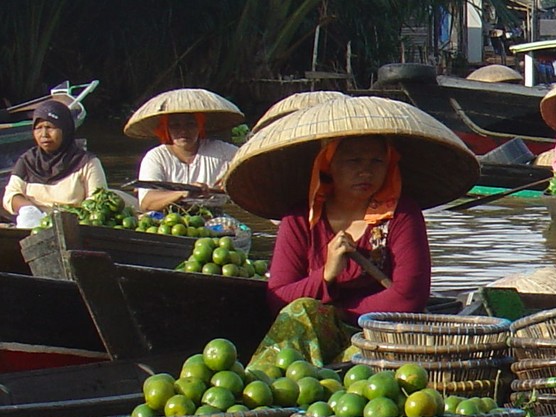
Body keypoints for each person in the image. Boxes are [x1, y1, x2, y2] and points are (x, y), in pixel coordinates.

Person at [223, 97, 478, 367]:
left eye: (376, 162)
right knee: (302, 310)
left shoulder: (402, 214)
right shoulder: (298, 218)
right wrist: (327, 275)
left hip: (378, 334)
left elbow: (408, 296)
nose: (365, 171)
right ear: (329, 165)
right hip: (314, 332)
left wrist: (341, 315)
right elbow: (279, 298)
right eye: (353, 161)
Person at [124, 88, 244, 212]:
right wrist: (182, 193)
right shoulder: (156, 157)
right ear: (166, 129)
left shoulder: (221, 151)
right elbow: (146, 203)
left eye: (190, 124)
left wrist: (230, 180)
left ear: (199, 126)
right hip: (167, 219)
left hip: (212, 218)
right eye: (175, 126)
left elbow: (248, 163)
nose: (183, 131)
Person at [3, 100, 108, 228]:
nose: (44, 135)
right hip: (34, 225)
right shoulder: (27, 161)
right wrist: (28, 209)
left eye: (50, 127)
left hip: (75, 228)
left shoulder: (87, 162)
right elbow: (11, 195)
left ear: (65, 129)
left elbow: (98, 202)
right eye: (38, 128)